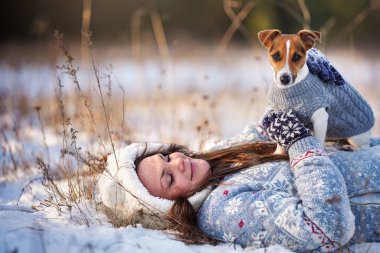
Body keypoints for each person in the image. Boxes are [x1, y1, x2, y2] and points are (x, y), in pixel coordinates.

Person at [97, 52, 380, 252]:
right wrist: (301, 145)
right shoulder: (221, 212)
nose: (179, 163)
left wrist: (300, 77)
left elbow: (264, 129)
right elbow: (327, 228)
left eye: (167, 157)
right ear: (167, 210)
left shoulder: (215, 160)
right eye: (169, 179)